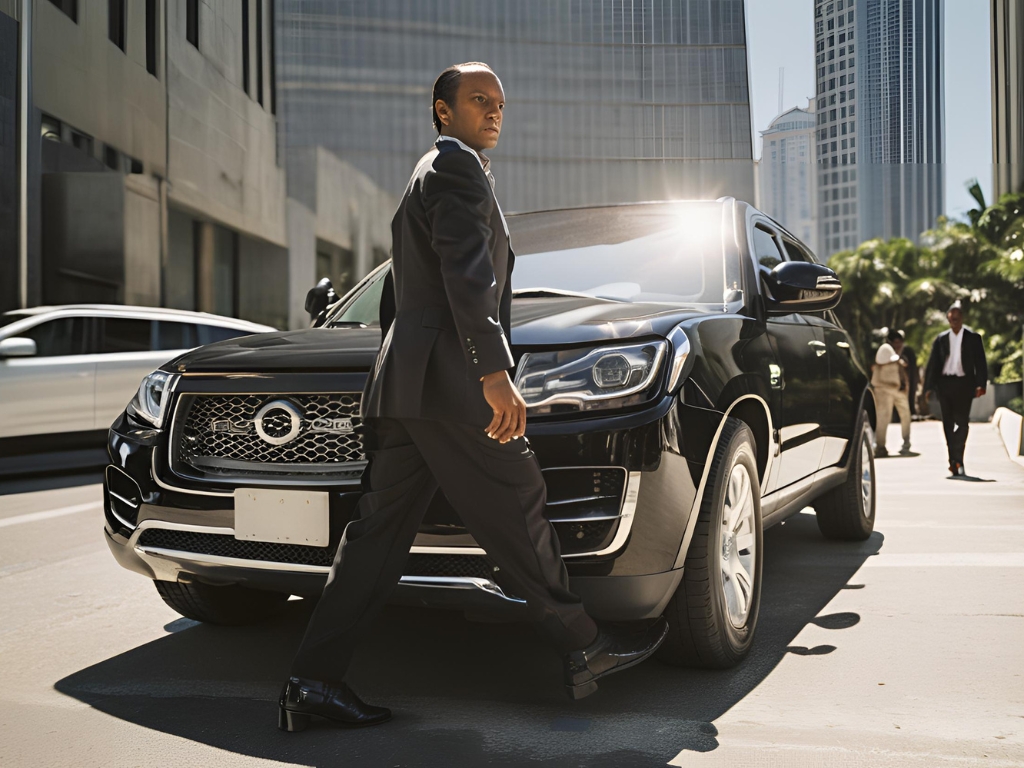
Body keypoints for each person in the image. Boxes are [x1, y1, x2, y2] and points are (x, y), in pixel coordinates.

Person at [277, 62, 668, 733]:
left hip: (413, 386)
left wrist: (411, 367)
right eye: (478, 100)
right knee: (518, 505)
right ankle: (586, 647)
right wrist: (492, 372)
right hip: (454, 387)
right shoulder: (455, 170)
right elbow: (468, 275)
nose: (493, 112)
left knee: (375, 541)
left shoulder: (426, 175)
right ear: (442, 110)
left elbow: (407, 296)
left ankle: (312, 683)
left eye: (499, 103)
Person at [923, 301, 988, 476]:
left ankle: (958, 457)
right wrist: (928, 387)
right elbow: (933, 364)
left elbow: (980, 362)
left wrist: (981, 384)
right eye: (952, 319)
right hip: (945, 384)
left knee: (963, 424)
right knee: (947, 424)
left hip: (965, 384)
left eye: (957, 319)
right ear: (948, 319)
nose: (955, 322)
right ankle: (954, 460)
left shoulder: (973, 337)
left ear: (962, 318)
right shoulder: (941, 338)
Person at [871, 328, 912, 457]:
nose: (898, 344)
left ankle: (906, 443)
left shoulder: (897, 353)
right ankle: (880, 446)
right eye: (896, 342)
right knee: (883, 417)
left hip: (897, 389)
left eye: (900, 342)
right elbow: (883, 361)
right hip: (883, 389)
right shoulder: (885, 349)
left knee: (906, 415)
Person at [891, 330, 920, 418]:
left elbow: (912, 366)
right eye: (895, 343)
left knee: (909, 396)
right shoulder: (891, 351)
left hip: (908, 378)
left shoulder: (907, 351)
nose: (897, 345)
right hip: (895, 379)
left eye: (898, 342)